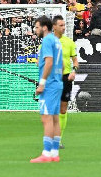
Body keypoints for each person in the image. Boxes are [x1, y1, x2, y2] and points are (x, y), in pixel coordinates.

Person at [30, 16, 64, 163]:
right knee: (55, 118)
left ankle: (46, 153)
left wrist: (42, 83)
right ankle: (54, 153)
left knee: (46, 118)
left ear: (44, 27)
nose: (35, 30)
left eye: (37, 27)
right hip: (57, 83)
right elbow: (61, 64)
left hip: (49, 85)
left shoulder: (47, 40)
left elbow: (49, 62)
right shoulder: (57, 40)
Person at [53, 15, 78, 149]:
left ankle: (58, 139)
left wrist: (74, 71)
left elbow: (75, 61)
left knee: (63, 110)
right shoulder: (47, 43)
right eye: (61, 25)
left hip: (66, 78)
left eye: (64, 25)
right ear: (54, 27)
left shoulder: (69, 42)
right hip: (52, 79)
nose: (63, 28)